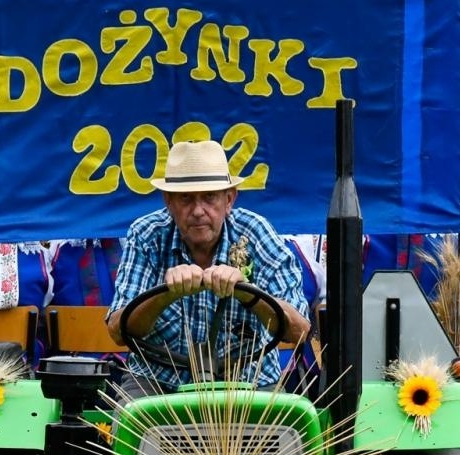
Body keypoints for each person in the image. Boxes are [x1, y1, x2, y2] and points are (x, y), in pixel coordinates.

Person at [107, 140, 309, 395]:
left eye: (209, 197)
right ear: (168, 201)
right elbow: (118, 331)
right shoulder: (146, 234)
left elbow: (299, 330)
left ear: (229, 199)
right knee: (130, 418)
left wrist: (247, 292)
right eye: (186, 198)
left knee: (289, 421)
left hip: (249, 384)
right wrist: (165, 294)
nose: (198, 211)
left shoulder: (256, 232)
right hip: (158, 383)